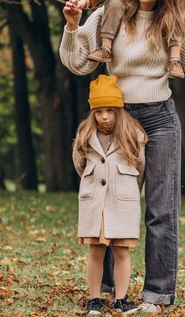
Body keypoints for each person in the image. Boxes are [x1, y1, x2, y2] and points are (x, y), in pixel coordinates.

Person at [61, 0, 185, 312]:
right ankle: (106, 288)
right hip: (119, 121)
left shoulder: (174, 22)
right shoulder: (112, 14)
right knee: (112, 204)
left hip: (160, 119)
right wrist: (72, 26)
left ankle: (157, 294)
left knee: (161, 210)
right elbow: (78, 63)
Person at [73, 75, 148, 315]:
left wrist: (131, 191)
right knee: (96, 250)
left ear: (118, 110)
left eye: (110, 110)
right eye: (99, 111)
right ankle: (94, 298)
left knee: (121, 250)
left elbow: (141, 168)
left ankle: (121, 299)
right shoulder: (85, 135)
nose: (104, 116)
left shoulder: (131, 134)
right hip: (95, 203)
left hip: (122, 201)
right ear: (92, 112)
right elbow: (79, 165)